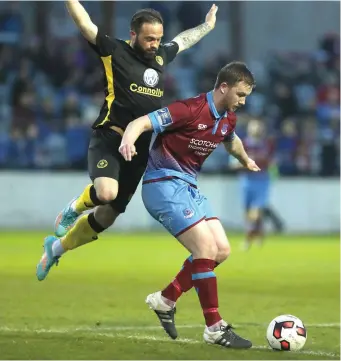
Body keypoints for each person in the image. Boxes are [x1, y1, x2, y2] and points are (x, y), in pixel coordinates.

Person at [36, 1, 219, 281]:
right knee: (107, 192)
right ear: (133, 35)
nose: (155, 44)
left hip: (139, 148)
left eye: (158, 38)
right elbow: (86, 25)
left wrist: (206, 26)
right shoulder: (114, 50)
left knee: (108, 216)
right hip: (110, 136)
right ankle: (73, 208)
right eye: (148, 39)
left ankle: (56, 249)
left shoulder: (159, 57)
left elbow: (182, 41)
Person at [119, 62, 257, 348]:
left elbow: (231, 142)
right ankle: (215, 328)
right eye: (240, 95)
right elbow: (141, 122)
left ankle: (165, 299)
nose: (243, 101)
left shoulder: (228, 118)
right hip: (162, 185)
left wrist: (245, 160)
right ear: (223, 87)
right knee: (205, 249)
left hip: (188, 188)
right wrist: (128, 141)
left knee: (221, 250)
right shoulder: (189, 109)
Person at [233, 119, 276, 250]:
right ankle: (260, 234)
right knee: (248, 212)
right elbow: (234, 163)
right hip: (246, 179)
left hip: (262, 179)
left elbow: (273, 162)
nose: (256, 129)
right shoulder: (243, 144)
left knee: (255, 211)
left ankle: (247, 240)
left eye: (258, 127)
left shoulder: (267, 144)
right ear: (249, 129)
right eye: (253, 127)